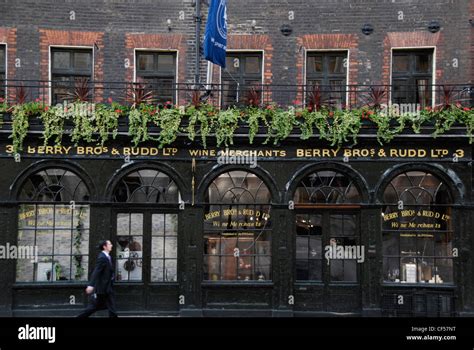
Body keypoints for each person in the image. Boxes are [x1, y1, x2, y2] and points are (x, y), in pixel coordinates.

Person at [77, 240, 118, 317]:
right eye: (110, 244)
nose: (112, 245)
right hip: (103, 287)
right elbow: (96, 272)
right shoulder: (102, 257)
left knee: (99, 306)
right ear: (104, 246)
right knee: (109, 307)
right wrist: (91, 285)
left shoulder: (107, 257)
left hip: (107, 287)